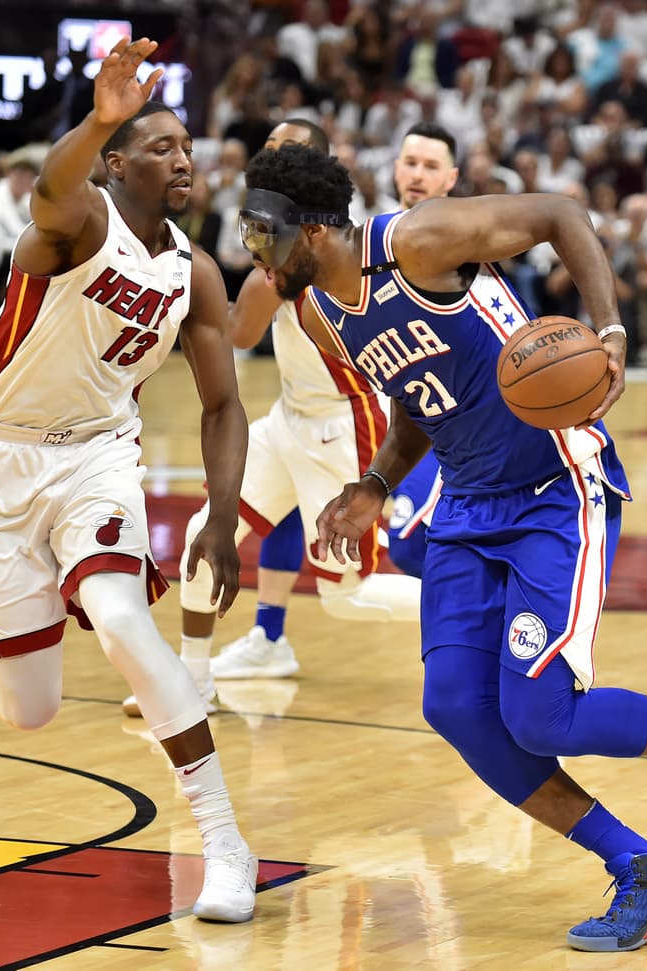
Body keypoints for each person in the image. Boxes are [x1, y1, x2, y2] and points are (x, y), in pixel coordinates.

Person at [241, 142, 647, 952]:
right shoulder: (319, 315)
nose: (254, 253)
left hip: (555, 489)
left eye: (263, 235)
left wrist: (610, 328)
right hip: (466, 504)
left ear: (311, 231)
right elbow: (418, 400)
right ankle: (642, 866)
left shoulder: (418, 241)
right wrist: (375, 483)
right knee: (455, 705)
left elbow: (559, 214)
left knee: (542, 713)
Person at [0, 38, 258, 923]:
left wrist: (221, 516)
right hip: (2, 456)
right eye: (160, 146)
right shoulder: (75, 226)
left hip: (99, 456)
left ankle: (226, 842)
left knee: (120, 618)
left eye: (188, 147)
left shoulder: (194, 272)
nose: (183, 160)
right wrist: (99, 117)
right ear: (114, 164)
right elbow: (50, 187)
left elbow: (224, 405)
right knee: (29, 710)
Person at [121, 118, 424, 714]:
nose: (271, 161)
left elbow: (238, 332)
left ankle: (483, 612)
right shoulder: (301, 237)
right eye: (269, 149)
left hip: (343, 426)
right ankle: (193, 682)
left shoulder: (305, 255)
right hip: (290, 419)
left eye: (286, 153)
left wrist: (192, 283)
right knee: (206, 532)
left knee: (348, 597)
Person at [207, 120, 460, 685]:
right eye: (410, 162)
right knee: (274, 513)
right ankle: (265, 638)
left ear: (452, 178)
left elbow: (240, 329)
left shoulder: (397, 243)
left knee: (395, 554)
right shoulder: (333, 230)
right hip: (315, 412)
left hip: (396, 417)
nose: (417, 174)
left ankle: (481, 628)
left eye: (430, 165)